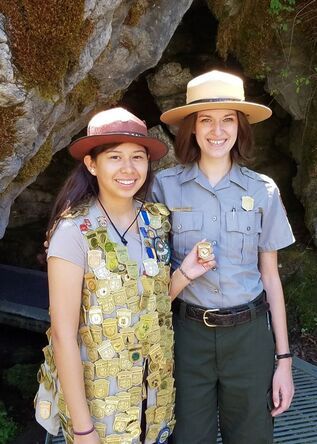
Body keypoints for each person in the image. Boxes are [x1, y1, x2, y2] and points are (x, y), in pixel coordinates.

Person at [34, 107, 215, 444]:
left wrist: (184, 274)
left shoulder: (155, 221)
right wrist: (83, 428)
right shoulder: (73, 232)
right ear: (92, 163)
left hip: (153, 395)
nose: (128, 168)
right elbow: (62, 335)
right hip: (102, 404)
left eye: (137, 157)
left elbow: (148, 306)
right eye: (115, 157)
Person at [150, 70, 295, 444]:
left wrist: (284, 361)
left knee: (252, 436)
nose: (218, 130)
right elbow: (149, 280)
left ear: (240, 127)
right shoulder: (163, 188)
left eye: (228, 119)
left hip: (248, 338)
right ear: (191, 129)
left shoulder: (263, 191)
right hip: (186, 337)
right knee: (187, 437)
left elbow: (271, 278)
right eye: (206, 120)